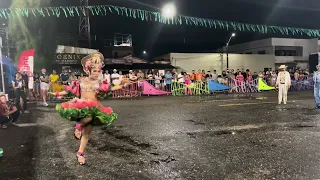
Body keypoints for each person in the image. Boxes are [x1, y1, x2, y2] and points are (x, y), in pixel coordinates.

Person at [50, 52, 126, 165]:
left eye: (99, 71)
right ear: (88, 70)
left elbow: (111, 88)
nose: (97, 73)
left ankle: (80, 153)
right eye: (94, 71)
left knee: (87, 134)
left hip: (95, 107)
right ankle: (78, 127)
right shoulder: (81, 81)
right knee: (88, 118)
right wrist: (57, 94)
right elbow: (69, 90)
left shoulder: (100, 83)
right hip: (82, 107)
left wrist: (123, 85)